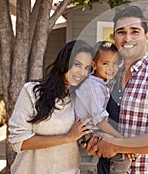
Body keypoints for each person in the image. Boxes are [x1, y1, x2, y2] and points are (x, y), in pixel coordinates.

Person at [84, 5, 148, 173]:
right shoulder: (111, 74)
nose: (127, 38)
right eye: (121, 32)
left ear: (146, 36)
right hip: (104, 168)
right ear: (114, 37)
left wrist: (117, 146)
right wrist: (95, 143)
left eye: (135, 31)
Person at [9, 40, 94, 174]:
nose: (82, 72)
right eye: (77, 64)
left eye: (87, 68)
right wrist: (67, 137)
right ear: (65, 61)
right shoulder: (32, 92)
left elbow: (85, 136)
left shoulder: (80, 100)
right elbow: (18, 142)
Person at [74, 40, 131, 174]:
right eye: (105, 64)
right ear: (94, 65)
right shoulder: (92, 86)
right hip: (87, 131)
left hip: (95, 127)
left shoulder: (102, 83)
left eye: (115, 64)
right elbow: (100, 119)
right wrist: (122, 141)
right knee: (121, 153)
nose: (111, 68)